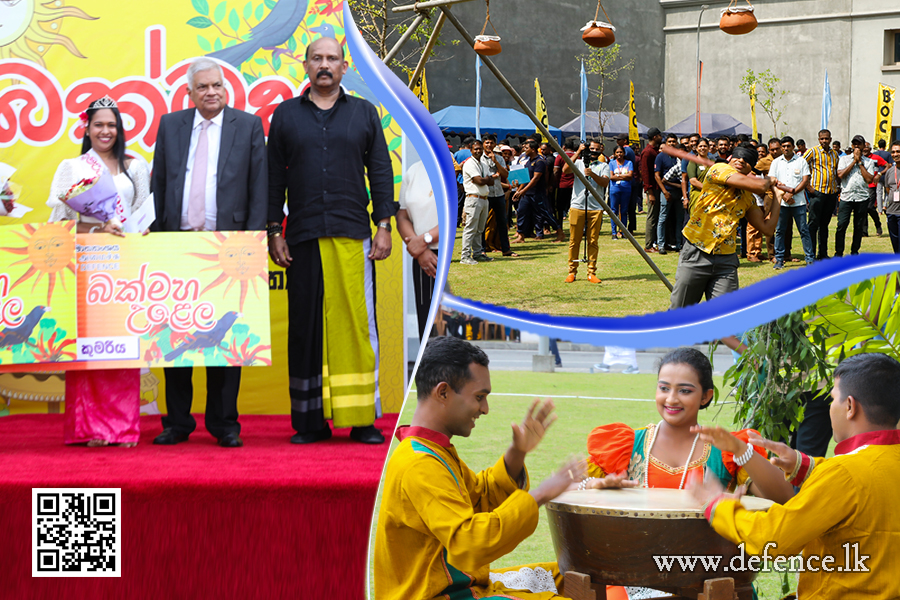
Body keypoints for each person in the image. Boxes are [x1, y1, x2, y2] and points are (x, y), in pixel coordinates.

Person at [373, 336, 582, 600]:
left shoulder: (432, 451)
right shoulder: (418, 463)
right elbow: (469, 542)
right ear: (443, 392)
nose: (485, 409)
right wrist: (539, 495)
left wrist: (517, 452)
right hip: (442, 595)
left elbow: (479, 496)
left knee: (572, 575)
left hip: (464, 587)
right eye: (479, 397)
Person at [583, 347, 793, 599]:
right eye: (664, 388)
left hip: (706, 579)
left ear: (706, 396)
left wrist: (742, 450)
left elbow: (783, 498)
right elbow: (575, 499)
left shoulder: (725, 451)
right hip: (633, 576)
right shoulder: (627, 445)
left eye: (685, 390)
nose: (671, 399)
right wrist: (593, 487)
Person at [267, 37, 396, 445]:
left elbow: (379, 171)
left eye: (332, 59)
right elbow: (274, 179)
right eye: (317, 59)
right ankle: (309, 423)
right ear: (305, 66)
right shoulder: (286, 116)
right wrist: (274, 231)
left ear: (344, 68)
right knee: (305, 328)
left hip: (352, 233)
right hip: (302, 235)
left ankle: (361, 420)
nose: (325, 65)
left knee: (357, 326)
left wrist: (384, 225)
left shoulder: (364, 113)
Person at [692, 353, 900, 600]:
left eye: (832, 399)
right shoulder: (869, 464)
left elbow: (774, 539)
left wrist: (718, 505)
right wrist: (805, 465)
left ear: (850, 407)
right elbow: (871, 477)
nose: (829, 408)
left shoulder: (843, 474)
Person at [151, 58, 267, 448]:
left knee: (224, 339)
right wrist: (158, 237)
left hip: (229, 248)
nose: (211, 92)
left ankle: (224, 425)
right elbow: (160, 182)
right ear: (190, 93)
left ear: (225, 87)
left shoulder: (248, 126)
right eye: (202, 87)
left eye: (217, 85)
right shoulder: (171, 125)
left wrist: (250, 243)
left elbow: (258, 187)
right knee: (174, 338)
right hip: (176, 244)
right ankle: (177, 423)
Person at [48, 96, 150, 448]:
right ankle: (89, 428)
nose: (105, 131)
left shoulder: (135, 167)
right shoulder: (72, 168)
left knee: (123, 345)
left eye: (112, 125)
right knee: (91, 347)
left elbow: (139, 217)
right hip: (88, 266)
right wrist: (95, 231)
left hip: (125, 267)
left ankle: (122, 428)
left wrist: (140, 230)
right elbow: (59, 227)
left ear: (119, 130)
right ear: (86, 129)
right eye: (98, 125)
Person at [670, 144, 779, 309]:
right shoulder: (718, 169)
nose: (741, 160)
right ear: (730, 159)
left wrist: (778, 197)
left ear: (751, 167)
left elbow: (767, 229)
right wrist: (769, 180)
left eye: (747, 160)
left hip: (726, 260)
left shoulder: (748, 199)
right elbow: (761, 186)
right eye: (738, 157)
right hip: (697, 250)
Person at [397, 160, 438, 341]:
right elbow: (402, 215)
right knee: (428, 326)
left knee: (451, 324)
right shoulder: (414, 170)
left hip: (446, 254)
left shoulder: (451, 169)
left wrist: (426, 238)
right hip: (424, 258)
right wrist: (420, 249)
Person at [562, 139, 610, 284]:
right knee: (574, 240)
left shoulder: (604, 166)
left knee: (593, 240)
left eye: (597, 149)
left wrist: (592, 174)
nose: (593, 152)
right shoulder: (578, 162)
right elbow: (565, 170)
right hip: (578, 205)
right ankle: (572, 271)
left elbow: (604, 182)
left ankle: (591, 272)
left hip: (595, 207)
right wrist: (578, 152)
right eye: (591, 149)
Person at [769, 136, 814, 269]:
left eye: (788, 146)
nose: (786, 148)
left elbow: (805, 180)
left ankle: (809, 258)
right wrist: (784, 195)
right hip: (781, 203)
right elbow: (772, 180)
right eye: (783, 146)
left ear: (793, 147)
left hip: (798, 202)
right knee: (780, 231)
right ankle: (779, 259)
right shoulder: (776, 162)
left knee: (804, 230)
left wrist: (791, 193)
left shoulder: (801, 161)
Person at [834, 135, 875, 257]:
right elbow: (840, 175)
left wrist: (860, 163)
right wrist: (853, 161)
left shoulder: (869, 162)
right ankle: (839, 252)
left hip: (862, 198)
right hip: (846, 197)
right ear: (852, 145)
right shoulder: (844, 159)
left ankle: (854, 252)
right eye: (854, 143)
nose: (857, 146)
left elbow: (869, 179)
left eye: (859, 144)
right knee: (841, 225)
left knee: (858, 227)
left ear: (864, 146)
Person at [804, 129, 841, 260]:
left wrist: (838, 188)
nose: (824, 141)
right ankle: (811, 254)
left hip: (831, 193)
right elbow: (801, 166)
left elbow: (836, 172)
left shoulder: (835, 154)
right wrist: (808, 186)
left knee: (824, 225)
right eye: (822, 139)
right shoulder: (813, 151)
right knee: (813, 224)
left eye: (826, 138)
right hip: (817, 193)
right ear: (818, 139)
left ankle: (823, 254)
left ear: (830, 139)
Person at [459, 139, 494, 265]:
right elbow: (479, 181)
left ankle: (478, 253)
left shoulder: (483, 164)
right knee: (470, 228)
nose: (478, 151)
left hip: (484, 198)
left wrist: (484, 179)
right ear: (471, 150)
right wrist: (486, 180)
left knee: (480, 229)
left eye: (480, 148)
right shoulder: (469, 163)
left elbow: (491, 181)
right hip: (473, 198)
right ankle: (465, 256)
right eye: (476, 149)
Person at [481, 134, 516, 257]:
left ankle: (506, 249)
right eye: (486, 143)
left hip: (499, 193)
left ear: (495, 145)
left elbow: (505, 174)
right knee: (483, 222)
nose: (489, 145)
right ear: (483, 144)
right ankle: (482, 249)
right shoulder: (479, 158)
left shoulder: (499, 158)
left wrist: (495, 160)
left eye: (491, 143)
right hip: (486, 194)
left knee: (502, 222)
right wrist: (492, 177)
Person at [655, 134, 684, 254]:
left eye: (674, 141)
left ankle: (678, 244)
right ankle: (660, 245)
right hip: (667, 191)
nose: (672, 143)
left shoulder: (679, 156)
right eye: (669, 141)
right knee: (662, 218)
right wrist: (665, 191)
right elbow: (657, 176)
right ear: (666, 143)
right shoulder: (661, 156)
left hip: (679, 192)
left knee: (679, 219)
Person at [639, 128, 662, 251]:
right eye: (659, 135)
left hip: (657, 188)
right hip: (653, 189)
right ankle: (648, 245)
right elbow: (645, 173)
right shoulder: (647, 152)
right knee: (652, 217)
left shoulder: (655, 151)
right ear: (655, 137)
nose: (661, 137)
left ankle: (655, 242)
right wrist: (650, 192)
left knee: (657, 216)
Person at [607, 145, 633, 240]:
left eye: (621, 152)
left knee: (624, 211)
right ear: (614, 153)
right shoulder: (612, 163)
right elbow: (611, 177)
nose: (619, 154)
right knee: (614, 211)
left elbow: (630, 176)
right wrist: (623, 176)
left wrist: (618, 175)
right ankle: (614, 233)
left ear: (624, 153)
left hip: (626, 189)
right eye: (617, 152)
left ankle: (623, 231)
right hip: (614, 189)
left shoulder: (629, 163)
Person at [883, 141, 900, 253]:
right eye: (893, 152)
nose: (895, 154)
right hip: (891, 212)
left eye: (898, 151)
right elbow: (888, 189)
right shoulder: (889, 171)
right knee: (895, 243)